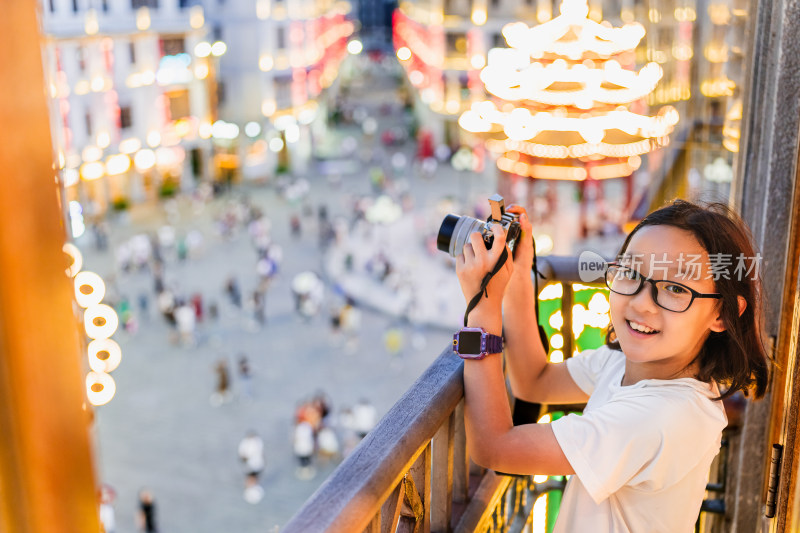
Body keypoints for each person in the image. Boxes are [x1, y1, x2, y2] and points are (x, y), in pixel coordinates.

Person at [453, 199, 769, 533]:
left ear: (722, 313)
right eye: (631, 273)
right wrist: (518, 273)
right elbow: (536, 381)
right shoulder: (630, 362)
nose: (642, 303)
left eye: (676, 288)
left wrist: (482, 306)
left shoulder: (661, 417)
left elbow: (494, 449)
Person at [238, 430, 266, 503]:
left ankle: (251, 486)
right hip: (251, 465)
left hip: (256, 464)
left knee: (253, 476)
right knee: (252, 476)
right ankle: (251, 486)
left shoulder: (256, 441)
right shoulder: (249, 442)